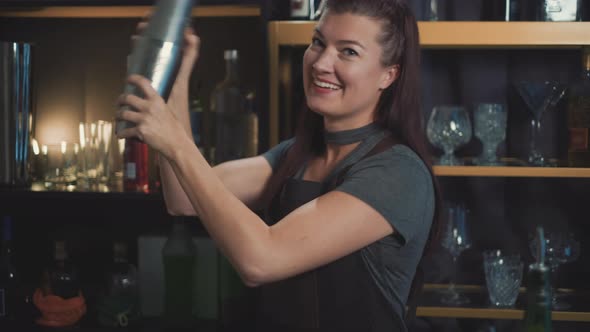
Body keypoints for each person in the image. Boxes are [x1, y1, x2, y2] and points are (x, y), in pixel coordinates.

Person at [116, 0, 442, 330]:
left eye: (348, 52)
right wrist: (177, 74)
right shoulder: (296, 155)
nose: (322, 63)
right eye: (318, 42)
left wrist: (177, 143)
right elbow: (183, 199)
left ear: (389, 74)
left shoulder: (398, 173)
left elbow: (260, 260)